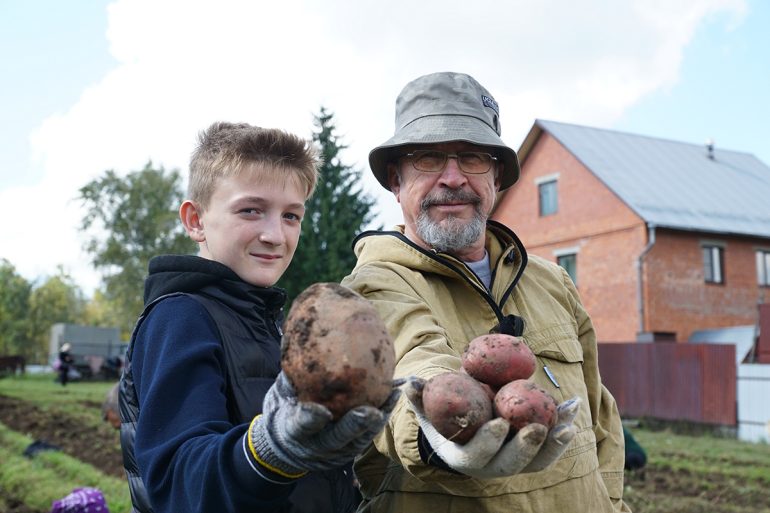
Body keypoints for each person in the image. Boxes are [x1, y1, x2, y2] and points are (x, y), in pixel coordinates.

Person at [341, 72, 629, 512]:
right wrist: (437, 432)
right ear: (396, 181)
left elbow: (600, 419)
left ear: (496, 178)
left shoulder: (553, 283)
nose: (453, 178)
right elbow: (411, 365)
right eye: (428, 158)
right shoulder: (371, 287)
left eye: (473, 158)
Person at [119, 122, 399, 513]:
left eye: (291, 216)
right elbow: (181, 483)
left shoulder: (274, 325)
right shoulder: (180, 317)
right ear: (195, 220)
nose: (275, 235)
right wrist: (272, 449)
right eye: (251, 210)